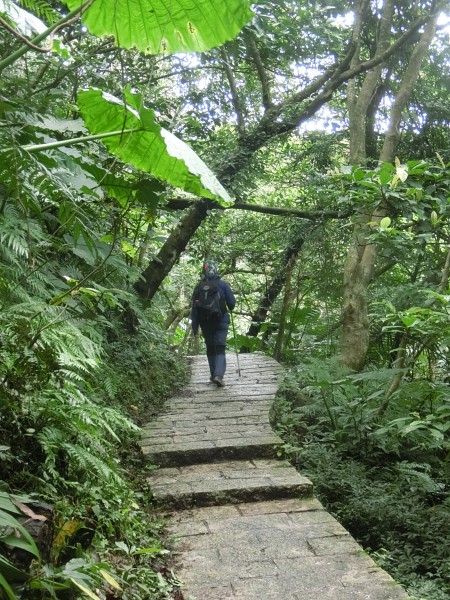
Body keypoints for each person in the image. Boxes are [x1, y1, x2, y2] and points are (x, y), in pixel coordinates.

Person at [191, 260, 236, 386]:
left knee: (210, 347)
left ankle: (213, 375)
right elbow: (232, 304)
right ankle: (218, 375)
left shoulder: (198, 287)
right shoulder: (222, 285)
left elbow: (194, 307)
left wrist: (195, 325)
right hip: (221, 319)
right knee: (220, 347)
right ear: (216, 269)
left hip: (205, 322)